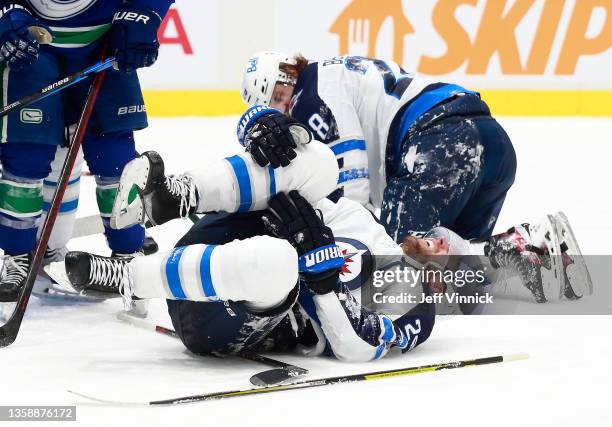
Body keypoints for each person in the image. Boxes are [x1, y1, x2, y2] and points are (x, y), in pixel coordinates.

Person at [56, 139, 434, 361]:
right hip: (217, 239)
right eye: (441, 238)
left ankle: (129, 277)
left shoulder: (417, 305)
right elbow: (286, 192)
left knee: (279, 261)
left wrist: (323, 281)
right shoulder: (359, 217)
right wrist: (268, 129)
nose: (439, 245)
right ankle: (170, 198)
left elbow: (358, 347)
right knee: (320, 161)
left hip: (230, 315)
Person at [239, 52, 517, 243]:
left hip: (442, 143)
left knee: (394, 268)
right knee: (462, 263)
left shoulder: (310, 95)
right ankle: (529, 243)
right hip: (490, 139)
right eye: (273, 103)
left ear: (292, 71)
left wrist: (350, 243)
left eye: (280, 93)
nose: (284, 106)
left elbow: (351, 185)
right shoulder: (333, 73)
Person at [0, 0, 174, 302]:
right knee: (25, 155)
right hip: (33, 44)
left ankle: (129, 254)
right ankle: (17, 256)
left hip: (105, 40)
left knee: (116, 159)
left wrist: (146, 11)